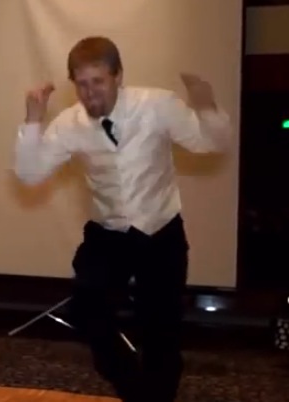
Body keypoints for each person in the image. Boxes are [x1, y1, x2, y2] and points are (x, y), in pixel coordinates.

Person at [13, 36, 232, 402]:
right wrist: (33, 120)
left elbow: (211, 143)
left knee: (161, 332)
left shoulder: (157, 105)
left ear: (118, 76)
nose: (90, 93)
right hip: (108, 234)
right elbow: (30, 173)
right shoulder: (70, 124)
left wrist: (205, 104)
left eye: (98, 82)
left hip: (160, 232)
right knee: (86, 307)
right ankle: (134, 389)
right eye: (82, 84)